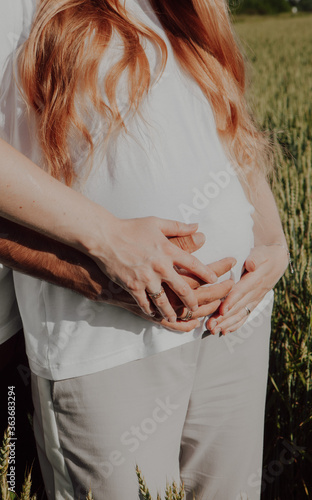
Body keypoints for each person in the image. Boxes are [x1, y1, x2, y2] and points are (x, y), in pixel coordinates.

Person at [0, 0, 290, 498]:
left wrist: (273, 241)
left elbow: (225, 122)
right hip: (105, 343)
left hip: (235, 321)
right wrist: (109, 241)